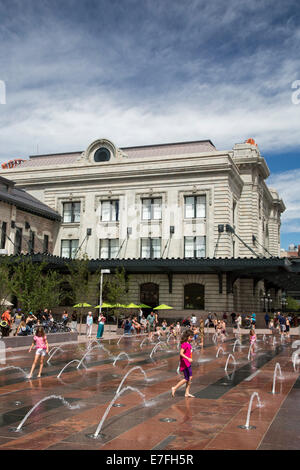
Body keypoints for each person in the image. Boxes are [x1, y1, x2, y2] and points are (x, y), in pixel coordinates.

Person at [171, 329, 194, 398]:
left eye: (192, 337)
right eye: (190, 337)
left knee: (189, 377)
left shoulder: (188, 343)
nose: (191, 338)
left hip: (188, 363)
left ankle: (187, 393)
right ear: (187, 337)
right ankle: (174, 388)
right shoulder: (184, 344)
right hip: (185, 363)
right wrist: (188, 358)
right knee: (187, 378)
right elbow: (181, 353)